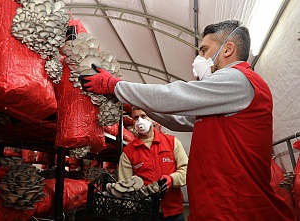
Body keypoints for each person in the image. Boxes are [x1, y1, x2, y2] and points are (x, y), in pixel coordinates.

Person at [80, 20, 295, 220]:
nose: (198, 58)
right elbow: (180, 120)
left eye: (204, 50)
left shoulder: (238, 79)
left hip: (236, 208)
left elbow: (174, 96)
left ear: (228, 49)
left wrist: (115, 85)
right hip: (215, 206)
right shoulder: (221, 99)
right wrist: (134, 103)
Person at [118, 106, 188, 221]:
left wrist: (172, 179)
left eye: (143, 116)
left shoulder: (172, 142)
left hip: (173, 212)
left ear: (152, 118)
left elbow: (186, 170)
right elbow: (125, 186)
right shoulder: (128, 152)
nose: (140, 120)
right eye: (136, 117)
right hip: (145, 214)